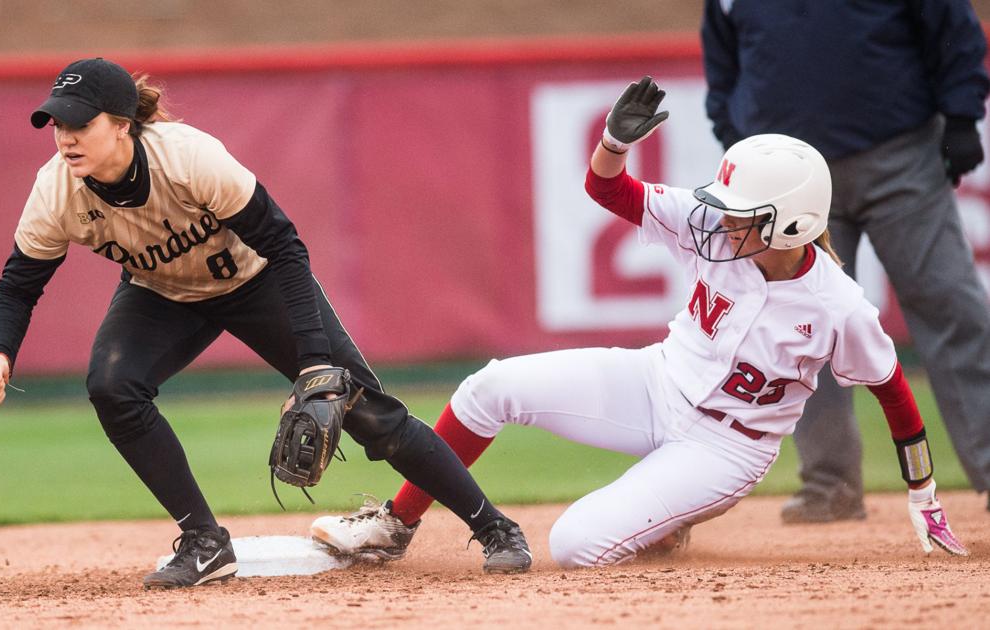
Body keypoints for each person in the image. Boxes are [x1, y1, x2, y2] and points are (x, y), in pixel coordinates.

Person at [309, 76, 969, 567]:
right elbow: (607, 189)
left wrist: (925, 496)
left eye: (747, 213)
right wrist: (613, 143)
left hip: (727, 448)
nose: (727, 219)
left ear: (792, 224)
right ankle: (393, 525)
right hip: (655, 381)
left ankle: (665, 520)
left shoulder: (837, 304)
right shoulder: (716, 225)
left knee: (574, 547)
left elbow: (892, 390)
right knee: (490, 388)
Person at [0, 57, 532, 588]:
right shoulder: (56, 191)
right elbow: (18, 284)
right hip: (161, 293)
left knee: (367, 413)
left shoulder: (188, 158)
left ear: (121, 125)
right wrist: (1, 352)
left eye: (77, 123)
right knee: (112, 387)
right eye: (55, 124)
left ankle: (495, 528)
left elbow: (285, 246)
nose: (63, 136)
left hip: (257, 278)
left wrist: (314, 362)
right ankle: (204, 542)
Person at [702, 0, 990, 523]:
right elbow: (723, 64)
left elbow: (951, 27)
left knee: (951, 306)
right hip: (785, 180)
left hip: (898, 155)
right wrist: (734, 134)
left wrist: (963, 113)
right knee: (801, 323)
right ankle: (829, 484)